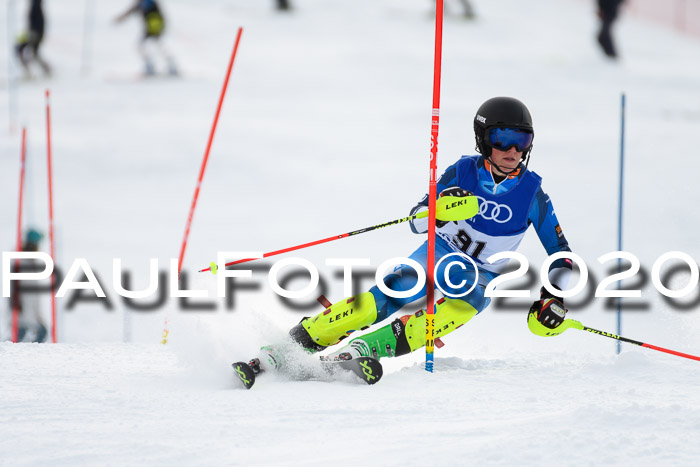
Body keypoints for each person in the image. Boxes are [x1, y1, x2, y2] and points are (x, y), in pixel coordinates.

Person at [249, 97, 573, 373]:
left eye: (523, 140)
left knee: (459, 308)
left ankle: (361, 352)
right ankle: (292, 346)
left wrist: (552, 295)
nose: (513, 150)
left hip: (482, 274)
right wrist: (439, 209)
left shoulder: (533, 195)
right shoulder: (463, 172)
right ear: (484, 138)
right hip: (441, 251)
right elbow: (416, 221)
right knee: (392, 292)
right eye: (503, 138)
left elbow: (561, 254)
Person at [114, 0, 178, 76]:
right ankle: (156, 65)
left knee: (154, 46)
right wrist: (120, 18)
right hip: (150, 28)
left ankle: (169, 65)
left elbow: (161, 15)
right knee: (147, 46)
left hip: (154, 28)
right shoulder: (141, 3)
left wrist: (161, 26)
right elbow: (130, 12)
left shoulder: (149, 2)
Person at [10, 229, 48, 343]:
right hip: (21, 308)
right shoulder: (19, 261)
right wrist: (15, 301)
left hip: (30, 308)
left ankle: (29, 355)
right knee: (20, 335)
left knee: (40, 332)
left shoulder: (31, 261)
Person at [15, 0, 51, 79]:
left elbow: (38, 24)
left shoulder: (36, 6)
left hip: (35, 33)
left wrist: (33, 33)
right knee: (34, 52)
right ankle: (45, 69)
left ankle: (28, 71)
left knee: (20, 49)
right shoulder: (34, 6)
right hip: (34, 32)